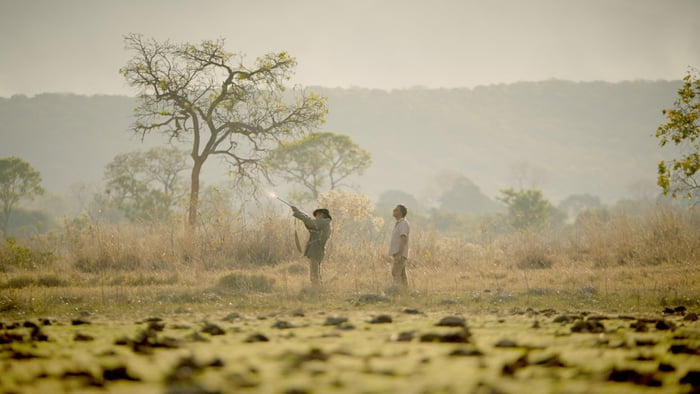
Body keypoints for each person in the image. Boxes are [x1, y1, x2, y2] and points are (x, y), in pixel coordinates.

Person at [291, 206, 332, 286]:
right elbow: (309, 224)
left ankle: (316, 290)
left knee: (314, 273)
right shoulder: (323, 223)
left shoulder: (323, 222)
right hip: (316, 250)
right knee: (315, 272)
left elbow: (310, 222)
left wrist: (297, 212)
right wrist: (298, 212)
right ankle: (318, 288)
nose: (316, 217)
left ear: (321, 215)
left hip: (316, 250)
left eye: (317, 215)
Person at [388, 204, 410, 288]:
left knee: (395, 272)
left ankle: (397, 291)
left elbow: (403, 239)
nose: (394, 210)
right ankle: (406, 291)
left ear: (400, 212)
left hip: (400, 254)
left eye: (396, 210)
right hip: (398, 254)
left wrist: (399, 254)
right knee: (402, 274)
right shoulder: (399, 224)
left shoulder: (403, 224)